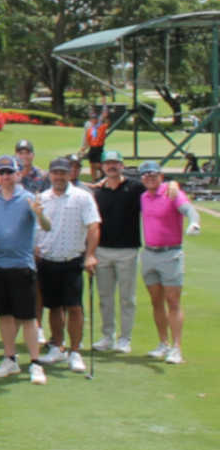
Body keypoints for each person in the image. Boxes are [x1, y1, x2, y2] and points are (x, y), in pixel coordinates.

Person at [0, 155, 51, 384]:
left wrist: (39, 213)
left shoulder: (28, 199)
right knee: (5, 316)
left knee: (28, 317)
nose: (5, 177)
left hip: (22, 266)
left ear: (17, 174)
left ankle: (35, 363)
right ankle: (10, 359)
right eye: (1, 173)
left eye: (9, 172)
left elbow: (46, 226)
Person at [35, 156, 101, 374]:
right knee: (53, 307)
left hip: (72, 259)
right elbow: (36, 229)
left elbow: (93, 226)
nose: (59, 176)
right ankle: (57, 346)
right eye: (56, 173)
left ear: (70, 173)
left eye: (63, 172)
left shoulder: (83, 197)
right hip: (48, 259)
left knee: (74, 307)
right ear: (50, 174)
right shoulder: (42, 198)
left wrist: (90, 255)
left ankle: (75, 351)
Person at [137, 162, 199, 364]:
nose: (149, 178)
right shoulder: (143, 196)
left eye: (153, 174)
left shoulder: (172, 193)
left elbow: (189, 210)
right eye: (145, 175)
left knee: (172, 301)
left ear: (161, 176)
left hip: (170, 254)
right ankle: (163, 343)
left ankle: (176, 347)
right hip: (149, 253)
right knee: (156, 301)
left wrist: (194, 222)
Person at [90, 150, 141, 353]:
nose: (111, 166)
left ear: (122, 165)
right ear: (102, 166)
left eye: (115, 163)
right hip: (102, 250)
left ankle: (125, 338)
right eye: (108, 163)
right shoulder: (98, 191)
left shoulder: (134, 187)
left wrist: (171, 185)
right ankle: (107, 336)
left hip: (127, 250)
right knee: (105, 297)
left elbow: (160, 181)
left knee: (127, 297)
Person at [82, 106, 110, 181]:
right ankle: (94, 179)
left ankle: (104, 173)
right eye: (92, 119)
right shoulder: (90, 130)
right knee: (92, 165)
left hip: (98, 148)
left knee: (98, 165)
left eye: (95, 119)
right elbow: (88, 141)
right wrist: (83, 149)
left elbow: (107, 121)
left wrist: (105, 114)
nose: (94, 120)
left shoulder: (102, 127)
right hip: (92, 148)